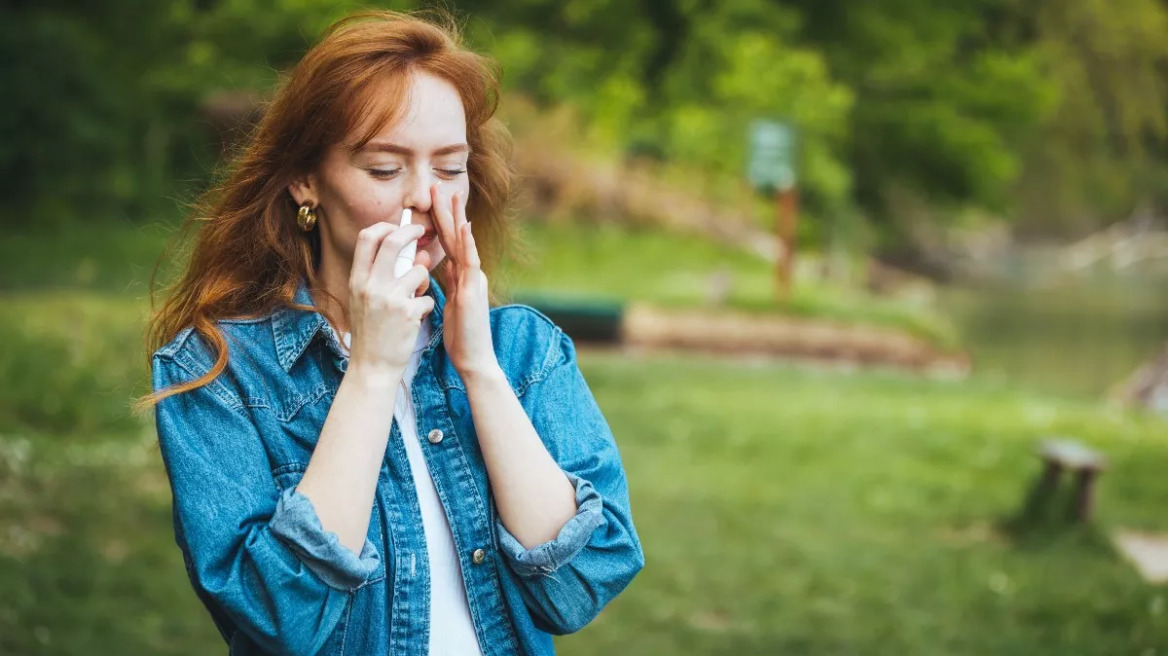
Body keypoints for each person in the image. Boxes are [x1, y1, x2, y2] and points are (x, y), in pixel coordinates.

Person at [141, 10, 643, 656]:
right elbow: (280, 619)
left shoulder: (523, 352)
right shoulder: (217, 371)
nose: (425, 198)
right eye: (384, 169)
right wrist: (372, 373)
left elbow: (581, 583)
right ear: (305, 180)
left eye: (450, 167)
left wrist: (481, 372)